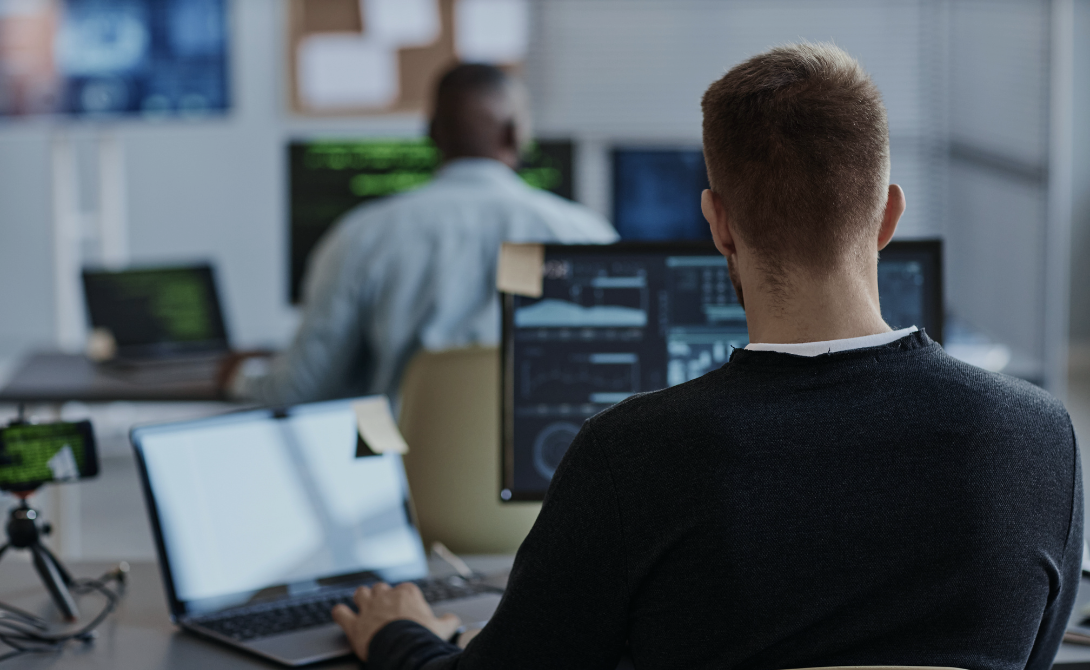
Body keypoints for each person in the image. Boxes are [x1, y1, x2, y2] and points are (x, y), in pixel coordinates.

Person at [331, 43, 1083, 669]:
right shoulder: (1039, 437)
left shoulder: (633, 455)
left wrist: (400, 635)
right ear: (888, 214)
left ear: (718, 223)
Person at [223, 64, 617, 405]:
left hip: (400, 481)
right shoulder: (586, 235)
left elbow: (301, 389)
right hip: (552, 483)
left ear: (431, 133)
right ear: (515, 134)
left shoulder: (362, 236)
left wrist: (240, 375)